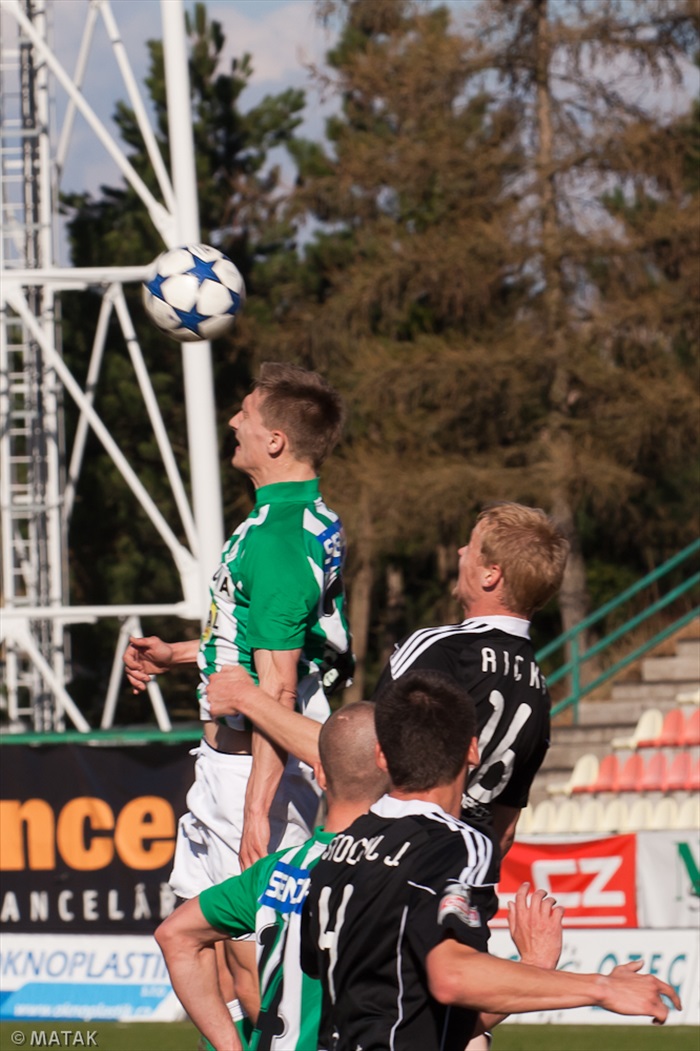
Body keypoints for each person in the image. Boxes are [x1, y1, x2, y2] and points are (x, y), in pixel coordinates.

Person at [123, 362, 353, 1025]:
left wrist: (258, 807)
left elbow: (275, 686)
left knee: (253, 954)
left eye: (246, 412)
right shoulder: (305, 517)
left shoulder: (277, 542)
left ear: (275, 439)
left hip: (248, 768)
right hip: (229, 763)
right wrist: (180, 654)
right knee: (207, 942)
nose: (234, 421)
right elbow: (267, 641)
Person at [301, 671, 680, 1051]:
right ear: (472, 749)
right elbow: (451, 976)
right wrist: (602, 987)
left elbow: (413, 1013)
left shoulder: (338, 849)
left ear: (382, 755)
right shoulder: (456, 843)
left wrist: (533, 967)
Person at [155, 702, 390, 1051]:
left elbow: (174, 935)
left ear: (321, 774)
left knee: (242, 976)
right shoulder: (406, 867)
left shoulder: (275, 869)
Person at [373, 501, 570, 856]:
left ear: (490, 574)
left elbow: (363, 761)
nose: (461, 551)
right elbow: (505, 831)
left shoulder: (436, 649)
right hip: (462, 879)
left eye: (471, 545)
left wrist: (250, 698)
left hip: (395, 864)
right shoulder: (539, 688)